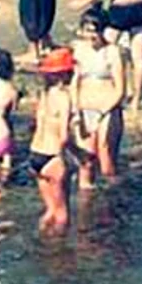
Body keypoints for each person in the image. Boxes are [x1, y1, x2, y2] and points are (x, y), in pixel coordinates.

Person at [27, 48, 83, 233]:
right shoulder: (63, 97)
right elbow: (64, 137)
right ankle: (61, 258)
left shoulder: (44, 94)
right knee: (62, 214)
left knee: (50, 210)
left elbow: (35, 124)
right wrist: (79, 154)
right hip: (53, 157)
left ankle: (41, 245)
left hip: (35, 155)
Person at [70, 8, 126, 186]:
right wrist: (75, 109)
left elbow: (120, 89)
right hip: (84, 108)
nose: (91, 36)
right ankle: (86, 206)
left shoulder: (112, 52)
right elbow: (74, 81)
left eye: (95, 31)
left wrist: (105, 111)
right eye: (87, 31)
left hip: (106, 110)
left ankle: (114, 204)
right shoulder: (79, 50)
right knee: (85, 163)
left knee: (106, 160)